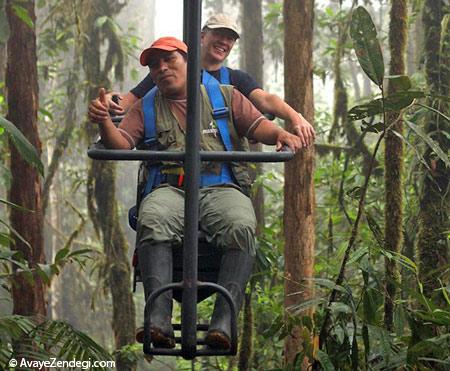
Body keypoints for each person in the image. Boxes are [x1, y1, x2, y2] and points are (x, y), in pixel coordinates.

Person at [88, 36, 306, 350]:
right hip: (171, 188)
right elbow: (121, 143)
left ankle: (224, 320)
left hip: (218, 185)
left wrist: (282, 133)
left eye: (169, 60)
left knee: (241, 223)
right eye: (154, 64)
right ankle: (158, 318)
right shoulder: (147, 105)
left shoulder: (224, 97)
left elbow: (258, 125)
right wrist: (104, 122)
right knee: (153, 218)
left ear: (188, 62)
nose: (162, 69)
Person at [97, 13, 315, 148]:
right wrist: (109, 100)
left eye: (230, 38)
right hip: (173, 159)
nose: (224, 41)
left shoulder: (235, 80)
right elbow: (127, 101)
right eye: (219, 34)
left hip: (220, 165)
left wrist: (294, 117)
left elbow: (266, 101)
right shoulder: (166, 73)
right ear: (202, 36)